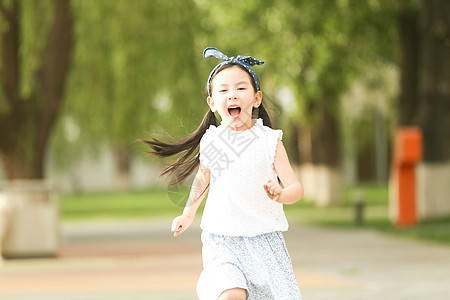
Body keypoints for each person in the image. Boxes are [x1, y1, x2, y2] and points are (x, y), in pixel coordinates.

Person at [143, 47, 303, 299]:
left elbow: (296, 188)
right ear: (212, 102)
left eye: (241, 88)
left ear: (257, 98)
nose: (232, 95)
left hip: (263, 240)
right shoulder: (213, 142)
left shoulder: (269, 141)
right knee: (230, 294)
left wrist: (281, 194)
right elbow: (204, 178)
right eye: (224, 90)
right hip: (222, 240)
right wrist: (188, 212)